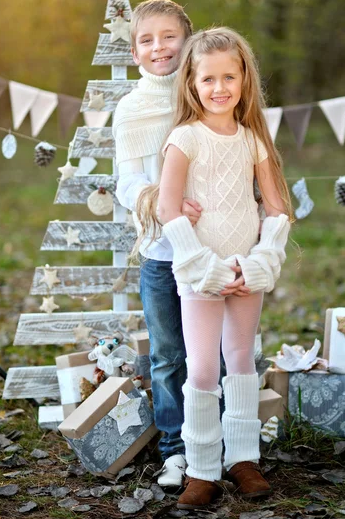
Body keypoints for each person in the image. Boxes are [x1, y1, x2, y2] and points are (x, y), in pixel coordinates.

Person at [136, 27, 293, 509]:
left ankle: (243, 459)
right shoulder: (184, 139)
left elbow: (278, 207)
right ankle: (203, 467)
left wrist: (260, 259)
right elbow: (168, 209)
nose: (220, 88)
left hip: (246, 271)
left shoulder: (252, 141)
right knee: (203, 368)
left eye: (229, 76)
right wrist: (202, 264)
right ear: (192, 83)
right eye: (209, 79)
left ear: (245, 79)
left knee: (241, 362)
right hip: (201, 272)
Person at [112, 0, 201, 488]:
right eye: (147, 39)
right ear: (134, 52)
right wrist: (163, 202)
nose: (159, 47)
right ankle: (175, 450)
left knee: (219, 354)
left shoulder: (204, 92)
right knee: (168, 356)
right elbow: (126, 184)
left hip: (210, 247)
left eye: (169, 36)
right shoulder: (129, 110)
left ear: (187, 41)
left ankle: (221, 442)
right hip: (161, 253)